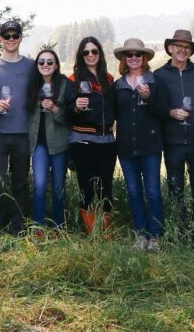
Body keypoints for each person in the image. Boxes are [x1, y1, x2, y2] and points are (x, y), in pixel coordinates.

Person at [154, 29, 194, 244]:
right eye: (178, 46)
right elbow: (155, 107)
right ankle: (179, 233)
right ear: (170, 48)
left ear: (190, 51)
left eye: (186, 47)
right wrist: (171, 112)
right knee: (175, 189)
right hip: (172, 142)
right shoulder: (159, 75)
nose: (182, 50)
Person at [0, 19, 35, 234]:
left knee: (21, 183)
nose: (11, 40)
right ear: (0, 39)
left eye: (15, 36)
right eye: (7, 36)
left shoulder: (32, 66)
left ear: (20, 39)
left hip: (23, 134)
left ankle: (19, 226)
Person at [113, 38, 166, 250]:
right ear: (124, 59)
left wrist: (150, 97)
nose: (134, 58)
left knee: (153, 191)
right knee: (133, 191)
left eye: (138, 54)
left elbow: (164, 112)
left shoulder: (156, 81)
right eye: (129, 55)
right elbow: (113, 115)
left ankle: (156, 235)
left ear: (144, 58)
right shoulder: (118, 85)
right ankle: (140, 235)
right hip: (125, 147)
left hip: (151, 145)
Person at [66, 36, 117, 234]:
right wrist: (76, 108)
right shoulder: (73, 80)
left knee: (106, 188)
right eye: (86, 52)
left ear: (100, 54)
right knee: (87, 188)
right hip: (83, 139)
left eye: (94, 51)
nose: (90, 55)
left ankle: (106, 232)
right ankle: (91, 232)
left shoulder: (109, 79)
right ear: (81, 55)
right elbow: (66, 110)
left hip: (107, 139)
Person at [26, 48, 74, 230]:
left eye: (49, 62)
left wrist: (55, 109)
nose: (45, 65)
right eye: (41, 62)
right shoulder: (32, 84)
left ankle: (59, 227)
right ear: (37, 65)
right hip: (38, 143)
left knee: (58, 188)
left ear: (56, 65)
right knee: (39, 186)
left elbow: (71, 116)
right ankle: (39, 226)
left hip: (59, 143)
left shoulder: (65, 84)